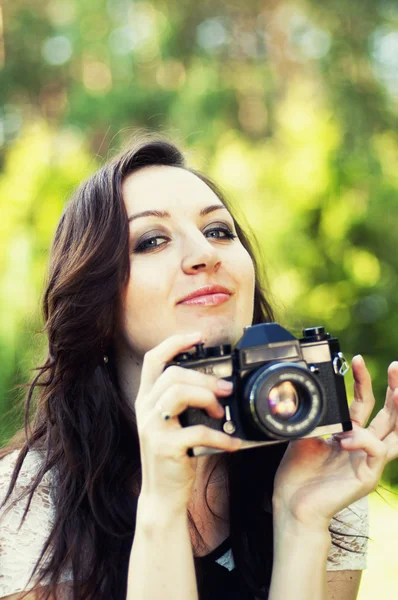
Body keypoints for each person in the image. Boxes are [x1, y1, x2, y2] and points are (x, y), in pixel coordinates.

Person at [0, 135, 397, 600]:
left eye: (218, 231)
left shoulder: (314, 467)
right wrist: (162, 510)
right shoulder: (29, 508)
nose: (205, 253)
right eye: (151, 240)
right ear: (96, 300)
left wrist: (300, 519)